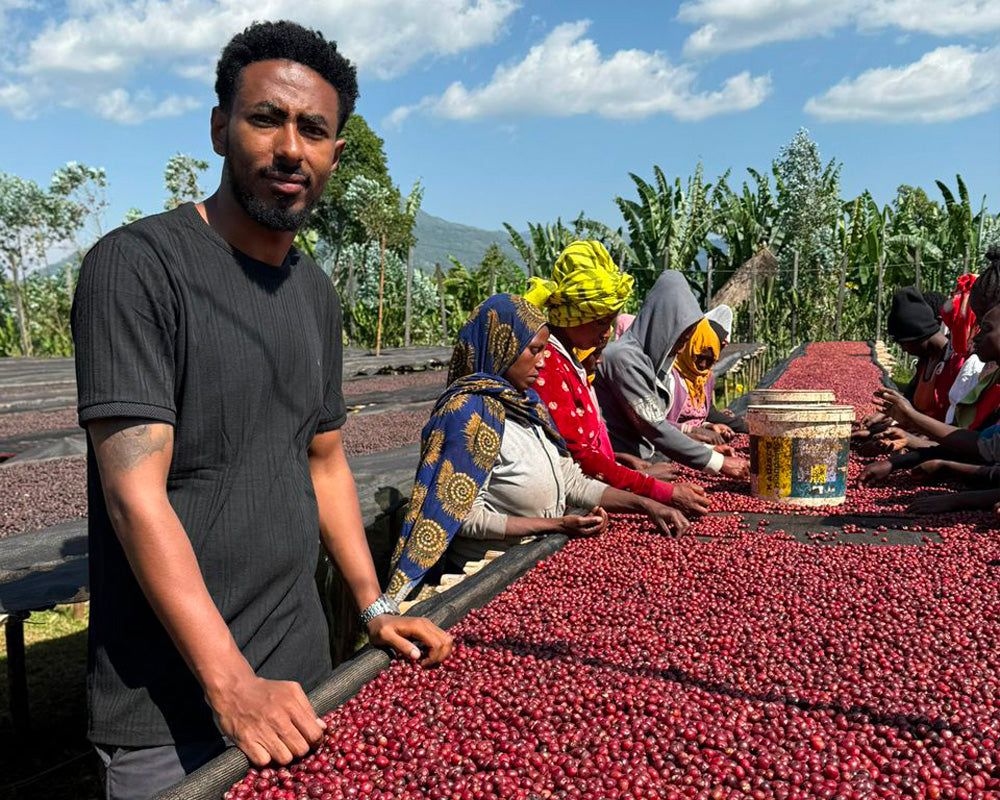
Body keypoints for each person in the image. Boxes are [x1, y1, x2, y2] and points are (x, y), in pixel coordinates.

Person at [72, 21, 452, 798]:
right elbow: (133, 494)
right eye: (264, 119)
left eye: (313, 130)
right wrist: (232, 684)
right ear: (219, 128)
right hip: (169, 707)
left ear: (335, 155)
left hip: (297, 680)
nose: (290, 149)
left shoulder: (313, 293)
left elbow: (326, 460)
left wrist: (373, 604)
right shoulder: (138, 268)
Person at [386, 294, 691, 601]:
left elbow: (571, 479)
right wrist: (555, 524)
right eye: (534, 350)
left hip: (536, 555)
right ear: (502, 348)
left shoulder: (527, 405)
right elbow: (461, 517)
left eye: (544, 350)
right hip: (482, 575)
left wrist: (646, 504)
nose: (543, 361)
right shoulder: (467, 414)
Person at [525, 241, 709, 516]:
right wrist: (655, 491)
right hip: (569, 504)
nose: (608, 332)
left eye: (610, 322)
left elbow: (583, 444)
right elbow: (578, 457)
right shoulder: (548, 366)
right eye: (600, 322)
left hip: (594, 492)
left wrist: (621, 464)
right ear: (572, 317)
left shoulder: (571, 360)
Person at [594, 271, 750, 479]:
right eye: (680, 339)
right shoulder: (624, 359)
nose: (680, 348)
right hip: (623, 468)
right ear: (663, 326)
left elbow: (659, 421)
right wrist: (717, 462)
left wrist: (706, 447)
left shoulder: (648, 362)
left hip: (646, 463)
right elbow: (655, 427)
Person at [861, 301, 1000, 510]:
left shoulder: (968, 367)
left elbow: (980, 449)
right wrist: (908, 437)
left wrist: (959, 498)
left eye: (987, 329)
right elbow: (984, 445)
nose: (976, 337)